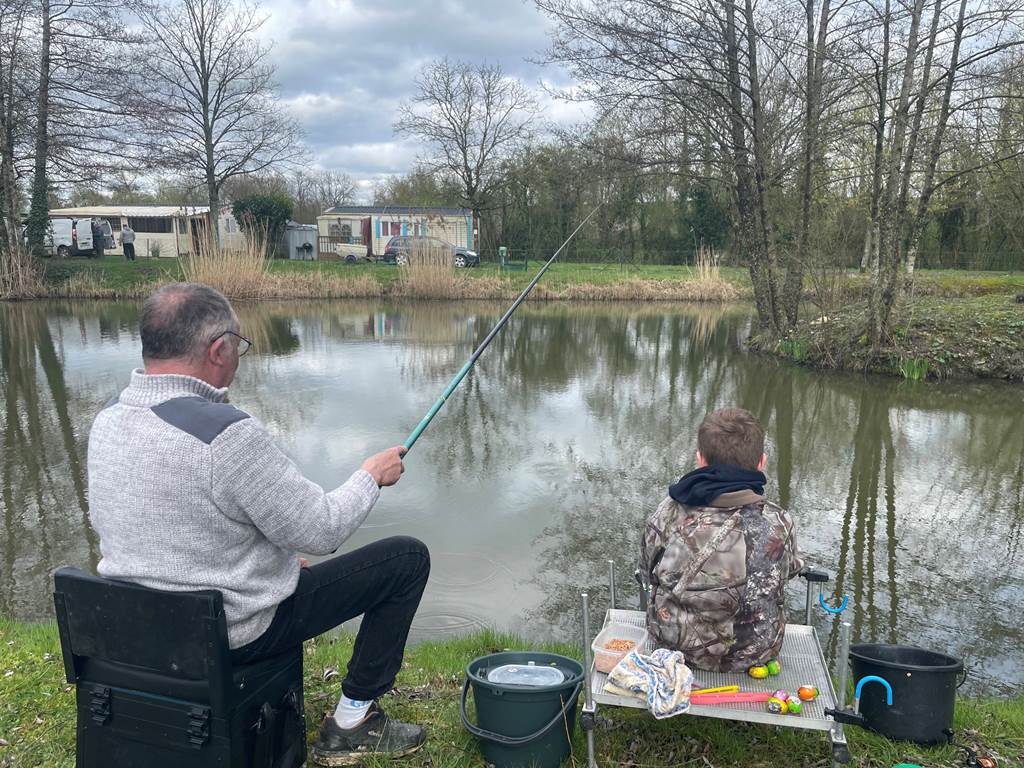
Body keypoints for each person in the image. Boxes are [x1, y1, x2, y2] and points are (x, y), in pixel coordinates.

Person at [87, 283, 430, 764]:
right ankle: (354, 721)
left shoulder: (107, 418)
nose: (240, 358)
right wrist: (371, 477)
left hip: (132, 631)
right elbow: (321, 529)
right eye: (240, 346)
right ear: (218, 349)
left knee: (293, 559)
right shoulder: (224, 434)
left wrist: (274, 559)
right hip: (233, 634)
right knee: (407, 559)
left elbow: (170, 525)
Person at [639, 407, 802, 673]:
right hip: (755, 653)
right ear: (762, 462)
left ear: (700, 460)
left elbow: (648, 570)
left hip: (676, 647)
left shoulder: (668, 513)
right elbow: (788, 572)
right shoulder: (780, 521)